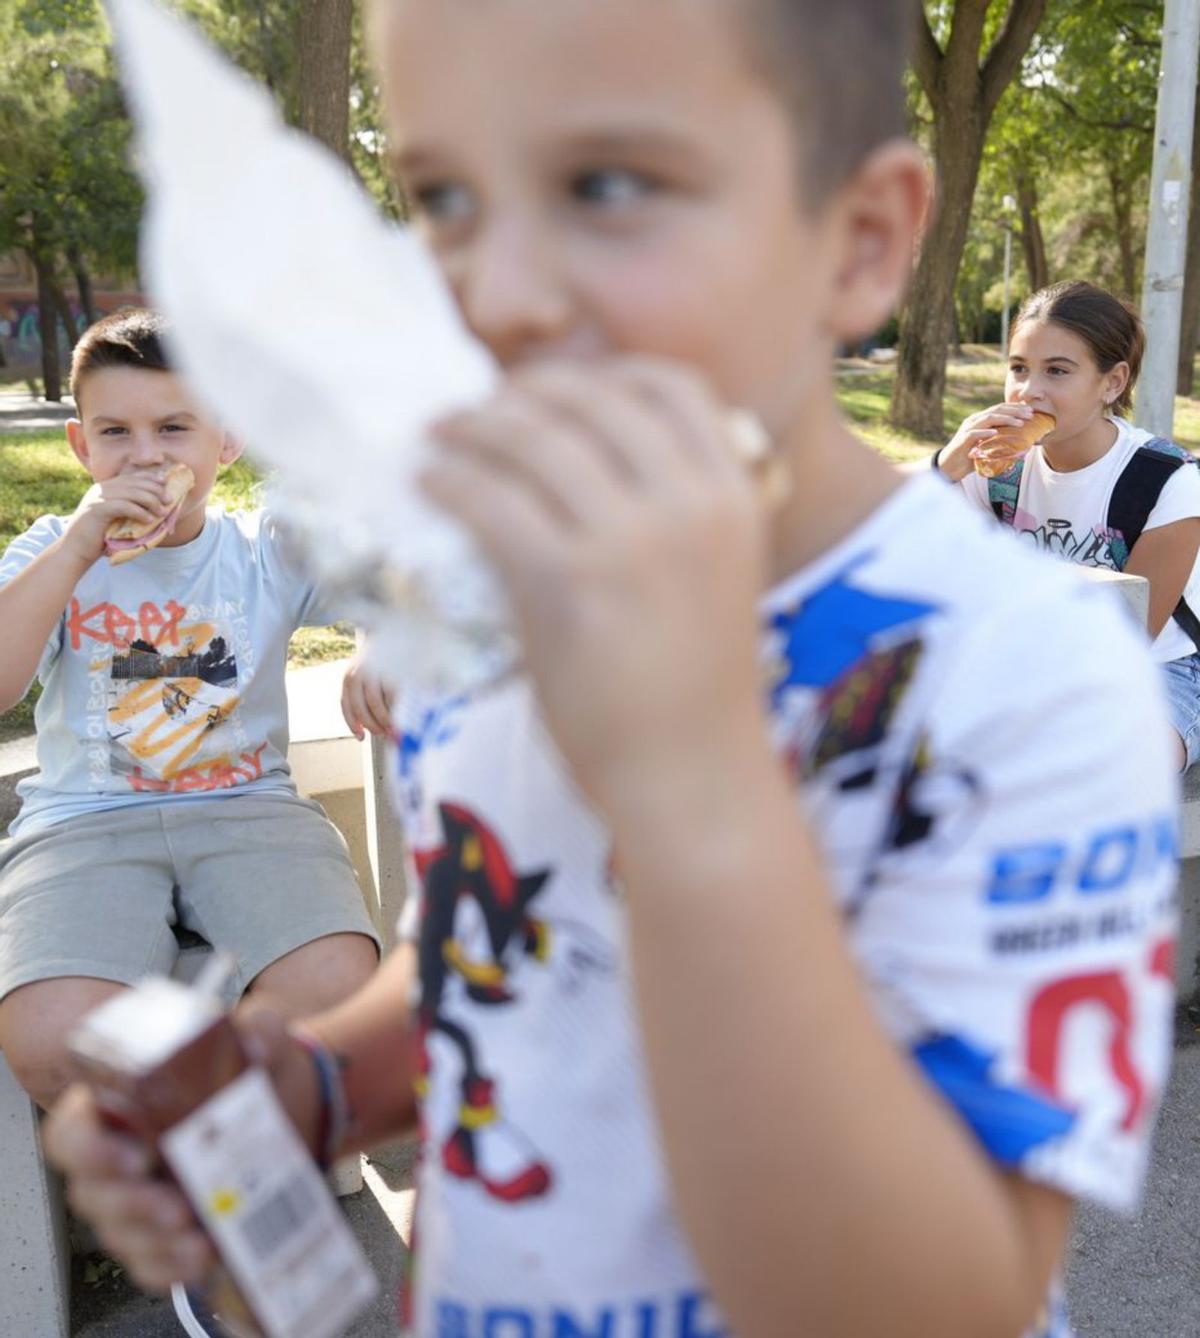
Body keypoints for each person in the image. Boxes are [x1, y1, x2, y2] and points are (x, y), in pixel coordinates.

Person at [46, 5, 1180, 1337]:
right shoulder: (496, 596)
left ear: (862, 237)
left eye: (609, 186)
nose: (502, 292)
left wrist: (690, 787)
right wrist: (314, 1088)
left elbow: (954, 1289)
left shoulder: (1018, 674)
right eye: (446, 197)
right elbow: (497, 938)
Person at [0, 308, 381, 1111]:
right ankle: (182, 1153)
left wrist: (377, 642)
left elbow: (392, 586)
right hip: (84, 823)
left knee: (341, 994)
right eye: (116, 433)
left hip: (249, 812)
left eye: (174, 428)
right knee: (45, 1036)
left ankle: (246, 1144)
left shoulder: (263, 552)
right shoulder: (49, 551)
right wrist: (75, 551)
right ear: (80, 447)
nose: (145, 456)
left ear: (226, 441)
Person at [934, 280, 1200, 771]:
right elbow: (882, 529)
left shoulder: (1167, 479)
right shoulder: (994, 465)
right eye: (1018, 368)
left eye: (1057, 371)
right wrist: (945, 467)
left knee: (1104, 768)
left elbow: (1128, 642)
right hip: (1020, 661)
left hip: (1157, 673)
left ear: (1112, 382)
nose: (1029, 391)